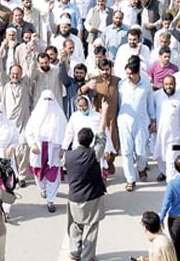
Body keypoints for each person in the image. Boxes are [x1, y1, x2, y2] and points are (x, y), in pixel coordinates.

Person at [65, 100, 110, 261]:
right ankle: (88, 256)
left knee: (75, 225)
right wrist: (104, 111)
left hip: (74, 198)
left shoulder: (68, 156)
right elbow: (102, 132)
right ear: (91, 141)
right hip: (92, 197)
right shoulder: (94, 154)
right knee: (91, 227)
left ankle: (75, 251)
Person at [118, 58, 155, 192]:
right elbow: (118, 102)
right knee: (127, 152)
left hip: (141, 122)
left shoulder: (146, 86)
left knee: (141, 152)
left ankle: (141, 168)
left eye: (131, 74)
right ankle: (130, 179)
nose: (129, 76)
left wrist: (153, 120)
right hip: (124, 121)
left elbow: (150, 104)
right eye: (127, 73)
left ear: (137, 72)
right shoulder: (122, 84)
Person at [26, 90, 67, 212]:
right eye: (45, 99)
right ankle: (43, 189)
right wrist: (32, 144)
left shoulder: (60, 116)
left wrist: (63, 149)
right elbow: (29, 132)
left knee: (53, 175)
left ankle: (50, 200)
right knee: (39, 174)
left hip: (54, 151)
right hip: (38, 151)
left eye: (50, 100)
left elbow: (66, 133)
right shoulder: (35, 116)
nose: (47, 103)